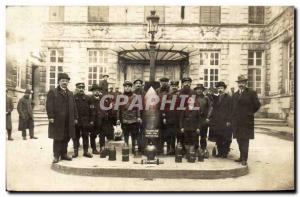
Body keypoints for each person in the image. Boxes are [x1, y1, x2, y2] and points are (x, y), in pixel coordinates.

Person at [46, 73, 78, 163]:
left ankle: (64, 154)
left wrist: (75, 117)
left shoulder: (70, 93)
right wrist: (51, 116)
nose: (64, 82)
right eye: (63, 81)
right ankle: (56, 156)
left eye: (66, 81)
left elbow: (74, 106)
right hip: (58, 120)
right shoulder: (53, 92)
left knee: (66, 137)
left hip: (69, 120)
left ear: (68, 82)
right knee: (57, 138)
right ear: (59, 81)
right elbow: (49, 105)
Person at [232, 75, 261, 166]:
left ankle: (244, 159)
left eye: (243, 82)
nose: (241, 84)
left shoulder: (251, 93)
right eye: (240, 82)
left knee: (245, 140)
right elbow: (233, 107)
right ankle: (241, 156)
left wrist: (250, 113)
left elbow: (257, 105)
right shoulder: (235, 94)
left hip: (246, 121)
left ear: (246, 83)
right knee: (239, 139)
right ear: (238, 84)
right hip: (237, 121)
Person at [208, 81, 232, 158]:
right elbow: (213, 108)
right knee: (218, 137)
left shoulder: (229, 98)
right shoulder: (216, 98)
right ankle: (220, 152)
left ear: (224, 89)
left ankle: (225, 152)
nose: (220, 89)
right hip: (217, 121)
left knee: (226, 138)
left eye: (221, 88)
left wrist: (229, 120)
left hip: (225, 121)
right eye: (218, 88)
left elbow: (231, 110)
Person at [117, 80, 142, 154]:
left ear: (131, 87)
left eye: (129, 86)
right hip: (124, 119)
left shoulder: (135, 96)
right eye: (126, 86)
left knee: (134, 135)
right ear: (124, 87)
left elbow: (138, 108)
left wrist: (138, 117)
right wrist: (118, 118)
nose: (127, 88)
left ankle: (134, 149)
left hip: (134, 119)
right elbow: (118, 109)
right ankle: (126, 148)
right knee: (126, 135)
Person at [72, 83, 93, 158]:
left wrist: (91, 120)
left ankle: (86, 152)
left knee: (85, 136)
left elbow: (91, 110)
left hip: (85, 121)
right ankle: (75, 152)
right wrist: (73, 119)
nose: (81, 89)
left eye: (82, 88)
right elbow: (71, 110)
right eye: (79, 87)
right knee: (75, 137)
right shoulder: (73, 98)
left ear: (84, 89)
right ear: (76, 88)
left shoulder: (88, 98)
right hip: (76, 121)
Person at [163, 80, 180, 155]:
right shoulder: (167, 96)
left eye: (175, 86)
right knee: (170, 134)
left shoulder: (180, 95)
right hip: (169, 118)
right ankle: (171, 149)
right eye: (173, 86)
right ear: (170, 87)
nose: (174, 87)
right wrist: (164, 117)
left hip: (179, 118)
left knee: (179, 134)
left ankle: (179, 149)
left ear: (178, 87)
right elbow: (163, 107)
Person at [194, 84, 211, 157]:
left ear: (203, 90)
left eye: (201, 89)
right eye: (198, 89)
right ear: (195, 90)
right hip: (195, 119)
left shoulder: (206, 98)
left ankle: (203, 149)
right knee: (195, 135)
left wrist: (208, 117)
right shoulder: (193, 98)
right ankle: (196, 149)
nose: (199, 90)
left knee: (203, 135)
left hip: (203, 119)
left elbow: (211, 108)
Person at [156, 77, 170, 154]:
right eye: (162, 81)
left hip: (169, 114)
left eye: (166, 81)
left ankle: (169, 149)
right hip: (159, 114)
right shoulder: (157, 91)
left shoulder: (170, 91)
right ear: (160, 83)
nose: (164, 83)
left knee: (168, 132)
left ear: (168, 82)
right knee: (160, 131)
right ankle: (159, 148)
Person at [89, 84, 103, 154]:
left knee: (102, 135)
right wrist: (90, 121)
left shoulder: (102, 98)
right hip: (93, 120)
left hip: (101, 120)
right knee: (93, 135)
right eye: (95, 90)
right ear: (92, 91)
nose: (96, 92)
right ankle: (94, 149)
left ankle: (102, 148)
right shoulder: (89, 99)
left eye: (98, 90)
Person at [133, 79, 145, 153]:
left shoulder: (144, 93)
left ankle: (142, 147)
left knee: (142, 132)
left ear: (141, 85)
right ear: (134, 85)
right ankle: (134, 148)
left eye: (139, 83)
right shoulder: (132, 93)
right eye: (136, 83)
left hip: (143, 114)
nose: (138, 84)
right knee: (135, 132)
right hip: (134, 115)